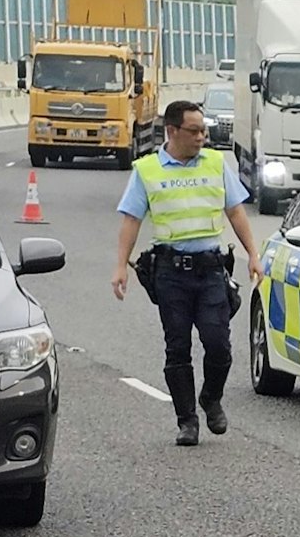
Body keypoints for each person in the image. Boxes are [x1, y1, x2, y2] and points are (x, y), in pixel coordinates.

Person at [110, 100, 262, 446]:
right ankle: (187, 421)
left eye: (204, 131)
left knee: (218, 344)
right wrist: (121, 265)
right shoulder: (147, 170)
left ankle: (211, 397)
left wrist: (253, 255)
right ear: (172, 131)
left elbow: (236, 212)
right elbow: (131, 220)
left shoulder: (215, 163)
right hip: (170, 273)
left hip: (210, 270)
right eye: (194, 131)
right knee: (177, 347)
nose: (201, 137)